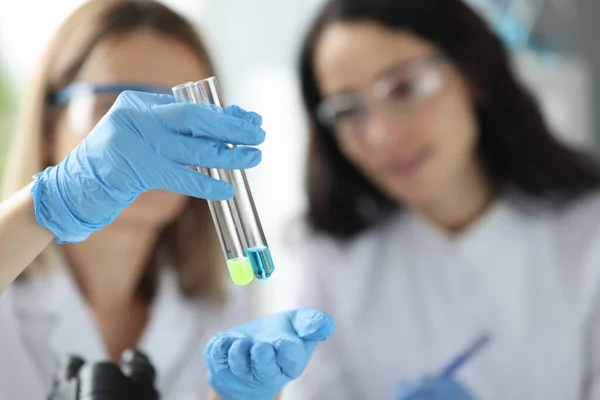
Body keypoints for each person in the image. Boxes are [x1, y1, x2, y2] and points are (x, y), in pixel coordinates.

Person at [203, 0, 600, 399]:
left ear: (473, 74)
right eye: (347, 109)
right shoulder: (330, 250)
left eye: (405, 87)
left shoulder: (588, 232)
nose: (381, 135)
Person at [0, 1, 332, 399]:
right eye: (117, 110)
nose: (159, 140)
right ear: (49, 125)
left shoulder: (220, 298)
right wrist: (50, 203)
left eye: (180, 117)